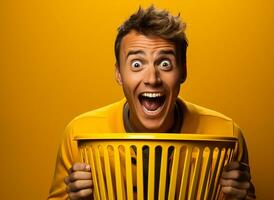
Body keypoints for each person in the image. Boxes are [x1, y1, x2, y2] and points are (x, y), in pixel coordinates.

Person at [48, 6, 256, 200]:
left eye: (165, 64)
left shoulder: (227, 134)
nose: (152, 78)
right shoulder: (79, 134)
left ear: (183, 71)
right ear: (118, 74)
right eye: (137, 64)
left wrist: (242, 198)